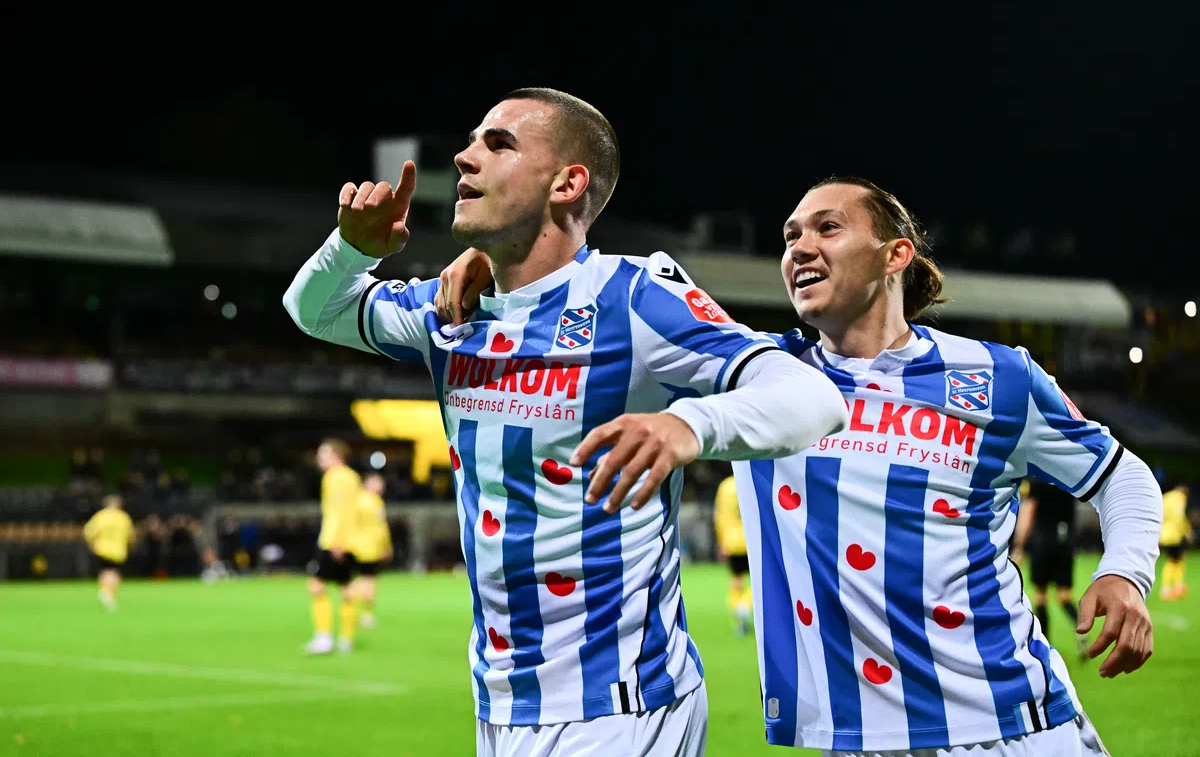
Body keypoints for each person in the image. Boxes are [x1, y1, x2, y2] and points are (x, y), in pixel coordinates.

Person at [439, 175, 1162, 757]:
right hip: (848, 737)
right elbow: (624, 308)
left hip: (1013, 722)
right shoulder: (761, 379)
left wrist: (1125, 572)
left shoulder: (996, 377)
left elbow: (1121, 476)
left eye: (826, 228)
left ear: (895, 255)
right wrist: (518, 277)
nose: (799, 248)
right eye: (789, 236)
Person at [284, 87, 848, 757]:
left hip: (620, 704)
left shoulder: (632, 296)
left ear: (567, 183)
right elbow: (313, 310)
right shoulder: (451, 311)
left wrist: (687, 425)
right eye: (472, 140)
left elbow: (813, 397)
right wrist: (351, 251)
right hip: (499, 700)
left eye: (499, 144)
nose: (465, 157)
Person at [1010, 478, 1089, 659]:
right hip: (1065, 542)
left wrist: (1019, 545)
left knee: (1040, 596)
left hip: (1043, 542)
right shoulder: (1067, 480)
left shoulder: (1037, 482)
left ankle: (1044, 646)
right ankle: (1081, 628)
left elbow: (1029, 511)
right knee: (1064, 595)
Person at [305, 438, 363, 655]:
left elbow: (339, 511)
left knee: (316, 587)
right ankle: (346, 639)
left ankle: (324, 638)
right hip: (350, 540)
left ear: (337, 456)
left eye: (323, 454)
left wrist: (338, 542)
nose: (319, 458)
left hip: (333, 541)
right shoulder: (351, 477)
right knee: (346, 587)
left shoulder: (334, 477)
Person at [350, 471, 393, 629]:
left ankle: (362, 612)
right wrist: (386, 546)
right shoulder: (366, 501)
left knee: (368, 578)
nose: (380, 486)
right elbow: (381, 527)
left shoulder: (368, 500)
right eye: (376, 482)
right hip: (366, 546)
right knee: (368, 579)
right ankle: (360, 608)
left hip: (368, 546)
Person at [713, 474, 751, 636]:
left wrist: (721, 541)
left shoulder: (725, 486)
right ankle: (746, 604)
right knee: (763, 577)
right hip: (751, 539)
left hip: (732, 540)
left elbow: (719, 517)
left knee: (736, 577)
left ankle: (737, 614)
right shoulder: (750, 480)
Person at [82, 494, 134, 611]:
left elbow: (88, 532)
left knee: (105, 571)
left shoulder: (101, 516)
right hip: (118, 550)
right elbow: (131, 535)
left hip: (102, 548)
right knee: (114, 572)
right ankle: (108, 594)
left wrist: (92, 543)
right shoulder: (123, 517)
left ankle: (105, 592)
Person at [1158, 481, 1191, 600]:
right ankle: (1174, 587)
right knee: (1177, 560)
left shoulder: (1166, 497)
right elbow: (1179, 517)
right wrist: (1187, 530)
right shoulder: (1179, 499)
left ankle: (1169, 587)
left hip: (1163, 534)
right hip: (1174, 535)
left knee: (1172, 560)